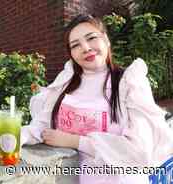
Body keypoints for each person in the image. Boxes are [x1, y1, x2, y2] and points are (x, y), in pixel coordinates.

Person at [20, 14, 173, 183]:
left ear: (106, 39)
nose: (85, 48)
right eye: (75, 45)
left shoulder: (129, 83)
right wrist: (20, 136)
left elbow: (139, 152)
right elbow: (44, 123)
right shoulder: (67, 82)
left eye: (91, 38)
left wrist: (75, 141)